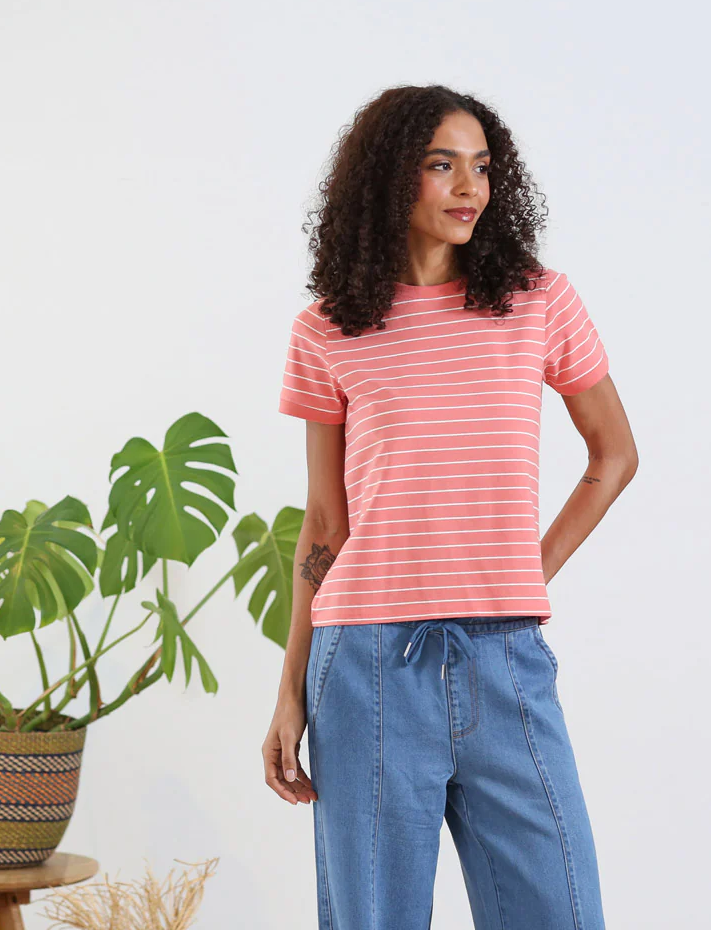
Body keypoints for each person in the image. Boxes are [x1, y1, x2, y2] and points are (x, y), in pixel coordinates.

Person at [262, 84, 638, 930]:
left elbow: (615, 455)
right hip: (366, 668)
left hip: (506, 660)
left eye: (482, 166)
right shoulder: (327, 329)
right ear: (391, 176)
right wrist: (290, 691)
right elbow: (324, 524)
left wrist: (526, 571)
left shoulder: (538, 302)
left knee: (562, 911)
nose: (470, 187)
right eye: (442, 165)